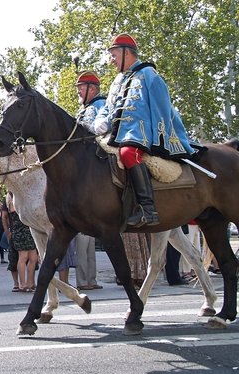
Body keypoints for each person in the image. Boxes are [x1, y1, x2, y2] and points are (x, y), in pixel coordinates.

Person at [93, 33, 196, 228]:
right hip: (114, 135)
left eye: (114, 55)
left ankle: (147, 209)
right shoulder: (117, 81)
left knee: (127, 153)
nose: (111, 61)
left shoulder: (149, 74)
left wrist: (160, 137)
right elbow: (108, 108)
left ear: (126, 53)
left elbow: (163, 108)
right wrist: (101, 121)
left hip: (141, 135)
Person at [74, 70, 105, 290]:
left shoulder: (100, 105)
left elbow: (97, 130)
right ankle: (85, 280)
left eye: (81, 88)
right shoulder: (82, 109)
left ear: (92, 89)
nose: (78, 92)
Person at [7, 192, 38, 292]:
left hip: (30, 230)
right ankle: (22, 283)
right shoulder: (12, 198)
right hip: (20, 231)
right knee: (23, 257)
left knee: (33, 258)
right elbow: (14, 210)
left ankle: (30, 282)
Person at [1, 197, 21, 291]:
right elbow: (4, 216)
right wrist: (7, 231)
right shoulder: (7, 199)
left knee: (29, 258)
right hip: (13, 231)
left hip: (26, 230)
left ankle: (28, 282)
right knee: (13, 257)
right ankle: (16, 283)